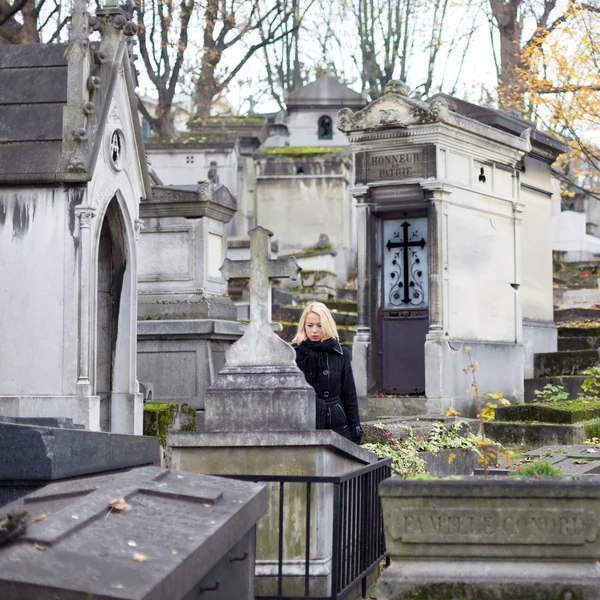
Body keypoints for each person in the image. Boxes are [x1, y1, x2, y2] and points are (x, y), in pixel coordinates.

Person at [292, 301, 363, 444]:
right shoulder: (294, 353)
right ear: (303, 326)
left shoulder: (341, 353)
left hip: (336, 423)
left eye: (320, 325)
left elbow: (349, 394)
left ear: (327, 325)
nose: (314, 331)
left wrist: (355, 427)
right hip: (304, 420)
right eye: (310, 325)